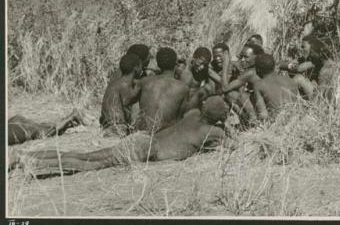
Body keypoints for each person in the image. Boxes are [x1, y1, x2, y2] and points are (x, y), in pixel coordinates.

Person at [9, 97, 229, 176]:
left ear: (204, 109)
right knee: (87, 163)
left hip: (141, 140)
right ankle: (28, 159)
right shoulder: (213, 132)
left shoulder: (192, 114)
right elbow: (232, 144)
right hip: (143, 150)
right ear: (219, 119)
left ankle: (25, 156)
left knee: (86, 156)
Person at [134, 47, 189, 133]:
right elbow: (179, 119)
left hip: (143, 133)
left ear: (158, 64)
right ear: (175, 64)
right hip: (165, 136)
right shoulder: (183, 87)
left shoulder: (144, 82)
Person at [220, 43, 265, 124]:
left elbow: (224, 88)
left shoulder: (251, 72)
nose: (242, 60)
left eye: (246, 57)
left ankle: (251, 121)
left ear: (257, 57)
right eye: (241, 57)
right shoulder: (261, 68)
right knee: (235, 94)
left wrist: (225, 65)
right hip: (263, 108)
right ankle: (248, 120)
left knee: (231, 94)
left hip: (262, 110)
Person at [99, 53, 143, 137]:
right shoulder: (125, 84)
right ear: (136, 68)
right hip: (116, 129)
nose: (142, 69)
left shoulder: (117, 83)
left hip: (108, 127)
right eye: (141, 66)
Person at [253, 54, 300, 120]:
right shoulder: (290, 80)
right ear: (274, 67)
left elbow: (263, 114)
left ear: (257, 69)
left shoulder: (259, 84)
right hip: (296, 119)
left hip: (278, 122)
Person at [8, 108, 90, 146]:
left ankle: (72, 116)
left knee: (45, 133)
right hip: (12, 122)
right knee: (42, 128)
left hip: (14, 128)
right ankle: (70, 120)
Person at [179, 47, 216, 114]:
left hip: (192, 104)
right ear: (194, 57)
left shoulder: (204, 70)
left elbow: (214, 88)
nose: (201, 67)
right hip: (180, 105)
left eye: (204, 65)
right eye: (200, 63)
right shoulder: (183, 69)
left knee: (208, 87)